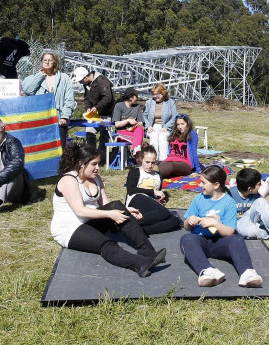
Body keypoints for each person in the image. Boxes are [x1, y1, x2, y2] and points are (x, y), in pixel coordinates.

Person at [50, 145, 167, 278]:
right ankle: (140, 264)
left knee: (117, 205)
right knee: (105, 243)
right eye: (94, 164)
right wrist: (110, 214)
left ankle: (148, 251)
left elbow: (106, 204)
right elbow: (80, 211)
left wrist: (126, 210)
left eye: (98, 163)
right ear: (81, 164)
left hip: (90, 220)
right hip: (70, 228)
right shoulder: (69, 180)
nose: (98, 168)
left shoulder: (96, 178)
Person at [180, 165, 263, 288]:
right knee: (186, 239)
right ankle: (207, 271)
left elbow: (229, 231)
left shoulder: (229, 202)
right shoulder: (199, 199)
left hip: (220, 242)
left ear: (216, 185)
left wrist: (215, 224)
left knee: (237, 239)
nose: (200, 185)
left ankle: (247, 273)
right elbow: (187, 227)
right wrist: (189, 221)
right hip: (201, 241)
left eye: (203, 183)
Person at [22, 51, 76, 149]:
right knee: (41, 150)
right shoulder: (33, 77)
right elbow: (27, 90)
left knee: (59, 150)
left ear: (55, 62)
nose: (47, 62)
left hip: (59, 120)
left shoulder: (64, 78)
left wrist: (65, 116)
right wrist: (40, 76)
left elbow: (69, 99)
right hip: (39, 121)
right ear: (41, 62)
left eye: (50, 60)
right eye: (45, 60)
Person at [124, 145, 180, 234]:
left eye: (153, 163)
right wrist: (152, 192)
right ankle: (130, 224)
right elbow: (131, 190)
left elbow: (157, 193)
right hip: (136, 200)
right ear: (141, 159)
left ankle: (142, 230)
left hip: (149, 206)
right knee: (164, 213)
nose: (150, 165)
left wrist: (160, 200)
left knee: (175, 220)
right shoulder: (135, 172)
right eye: (147, 162)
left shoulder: (158, 175)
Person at [229, 168, 269, 243]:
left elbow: (268, 209)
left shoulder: (255, 195)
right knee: (253, 232)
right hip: (237, 225)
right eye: (259, 184)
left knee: (261, 201)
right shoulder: (229, 195)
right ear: (250, 188)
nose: (261, 185)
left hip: (252, 219)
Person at [71, 66, 114, 158]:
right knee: (90, 132)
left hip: (106, 114)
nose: (80, 83)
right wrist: (88, 108)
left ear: (86, 77)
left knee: (104, 136)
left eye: (81, 81)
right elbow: (86, 98)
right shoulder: (87, 84)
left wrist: (97, 107)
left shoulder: (102, 80)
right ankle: (91, 156)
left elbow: (107, 97)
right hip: (94, 115)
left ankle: (102, 157)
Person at [157, 113, 201, 180]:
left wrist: (198, 169)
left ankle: (154, 178)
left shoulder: (192, 134)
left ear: (188, 124)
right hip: (171, 159)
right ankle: (149, 175)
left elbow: (194, 152)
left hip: (185, 163)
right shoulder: (174, 134)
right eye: (178, 124)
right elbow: (170, 151)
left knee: (171, 166)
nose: (180, 127)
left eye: (182, 124)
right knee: (159, 163)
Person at [142, 83, 177, 160]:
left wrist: (166, 127)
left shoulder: (171, 102)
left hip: (166, 126)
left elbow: (174, 116)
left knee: (163, 136)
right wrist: (148, 126)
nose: (155, 96)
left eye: (157, 94)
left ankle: (163, 159)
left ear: (163, 93)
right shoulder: (149, 102)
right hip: (153, 125)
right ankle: (153, 159)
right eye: (154, 94)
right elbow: (144, 116)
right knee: (153, 136)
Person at [112, 87, 145, 154]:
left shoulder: (137, 107)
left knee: (140, 129)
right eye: (136, 96)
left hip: (133, 131)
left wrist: (139, 124)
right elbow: (116, 124)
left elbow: (140, 122)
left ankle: (136, 149)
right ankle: (136, 150)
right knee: (138, 138)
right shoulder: (119, 106)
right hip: (121, 132)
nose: (137, 98)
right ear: (130, 97)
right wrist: (128, 120)